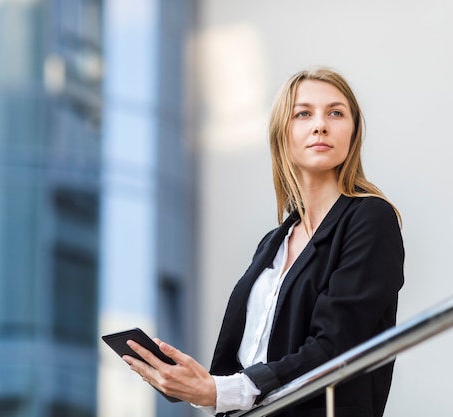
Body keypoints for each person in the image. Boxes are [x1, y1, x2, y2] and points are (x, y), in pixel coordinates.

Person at [123, 67, 405, 417]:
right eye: (303, 113)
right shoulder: (273, 242)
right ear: (282, 134)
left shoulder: (370, 218)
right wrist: (200, 386)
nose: (321, 124)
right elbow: (246, 357)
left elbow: (335, 343)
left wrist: (222, 390)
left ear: (353, 132)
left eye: (336, 112)